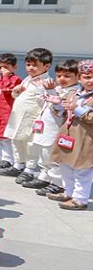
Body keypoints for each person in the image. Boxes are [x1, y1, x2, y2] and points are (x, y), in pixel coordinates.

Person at [22, 60, 80, 191]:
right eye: (59, 76)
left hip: (57, 129)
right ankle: (45, 177)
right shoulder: (58, 88)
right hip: (44, 127)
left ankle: (57, 183)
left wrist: (53, 93)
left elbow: (61, 109)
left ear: (78, 77)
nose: (62, 79)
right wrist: (42, 91)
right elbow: (43, 102)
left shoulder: (75, 92)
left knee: (54, 157)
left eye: (67, 76)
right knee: (43, 153)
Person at [0, 48, 53, 180]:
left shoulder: (46, 83)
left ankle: (29, 168)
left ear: (46, 66)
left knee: (29, 143)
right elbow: (16, 94)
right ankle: (18, 164)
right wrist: (16, 91)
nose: (31, 68)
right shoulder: (28, 79)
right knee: (16, 139)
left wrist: (47, 92)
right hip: (17, 116)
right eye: (28, 65)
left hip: (31, 118)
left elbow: (48, 101)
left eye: (35, 65)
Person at [50, 59, 93, 210]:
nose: (90, 80)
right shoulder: (73, 93)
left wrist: (78, 109)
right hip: (68, 137)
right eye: (87, 77)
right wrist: (57, 104)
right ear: (79, 78)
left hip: (86, 139)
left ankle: (80, 199)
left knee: (82, 170)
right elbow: (60, 112)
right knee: (65, 166)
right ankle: (68, 192)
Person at [0, 53, 21, 169]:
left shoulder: (16, 80)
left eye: (6, 67)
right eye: (0, 67)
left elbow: (8, 91)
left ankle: (8, 158)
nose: (3, 70)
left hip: (7, 112)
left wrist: (6, 77)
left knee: (5, 136)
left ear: (14, 67)